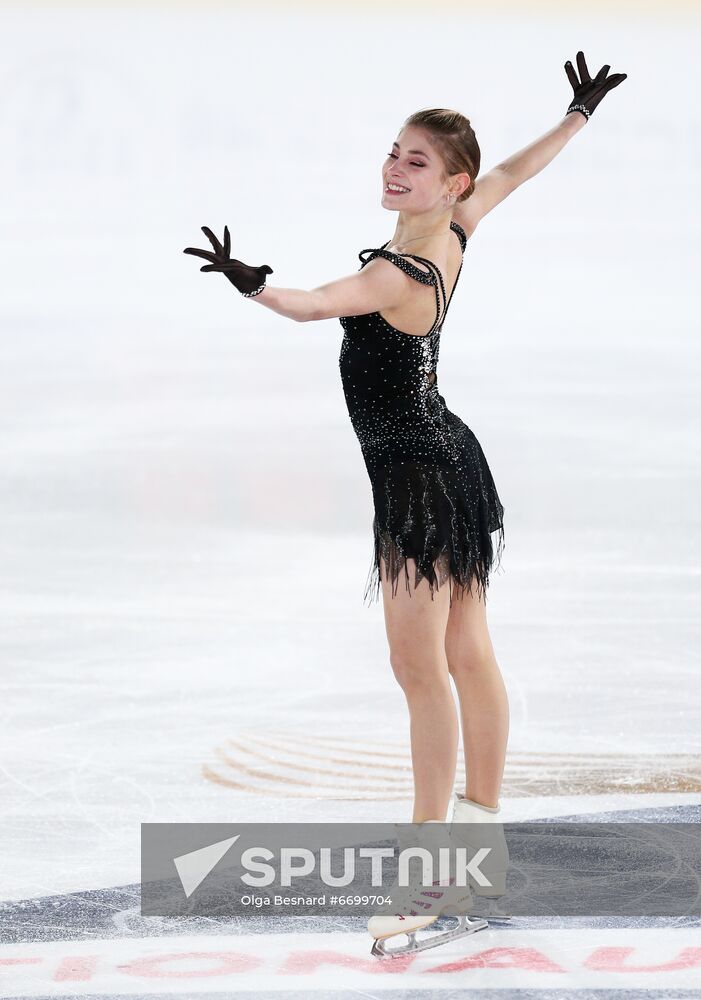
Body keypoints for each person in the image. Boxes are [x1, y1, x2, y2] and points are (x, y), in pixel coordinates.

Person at [184, 50, 627, 955]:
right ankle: (479, 843)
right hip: (445, 456)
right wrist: (575, 117)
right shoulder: (457, 226)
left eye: (415, 160)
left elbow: (314, 305)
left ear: (446, 182)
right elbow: (511, 173)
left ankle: (436, 873)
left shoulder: (398, 274)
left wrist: (252, 284)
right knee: (464, 652)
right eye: (393, 151)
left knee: (420, 667)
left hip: (421, 480)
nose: (394, 167)